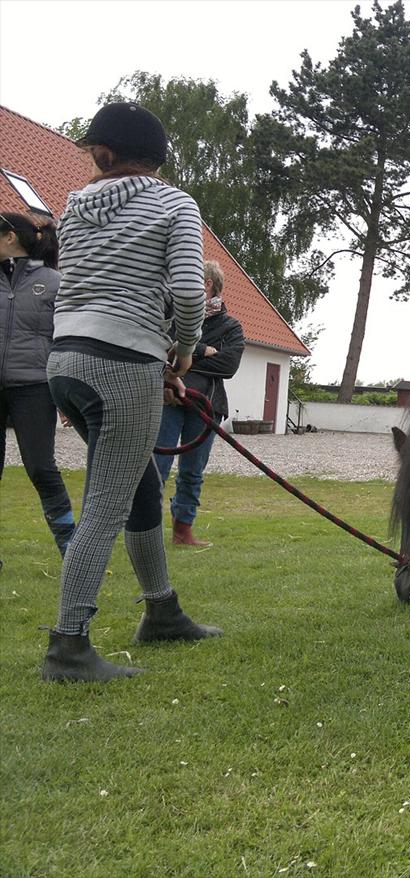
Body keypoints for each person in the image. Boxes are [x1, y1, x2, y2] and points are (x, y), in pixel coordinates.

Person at [41, 102, 222, 683]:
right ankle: (69, 646)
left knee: (138, 480)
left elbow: (81, 284)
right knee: (105, 505)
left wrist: (154, 361)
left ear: (106, 152)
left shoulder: (71, 208)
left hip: (67, 360)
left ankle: (162, 611)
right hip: (123, 364)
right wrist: (185, 351)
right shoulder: (175, 203)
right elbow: (190, 294)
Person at [0, 212, 76, 561]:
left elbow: (65, 339)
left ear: (10, 237)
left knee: (41, 468)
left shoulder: (55, 282)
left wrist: (67, 392)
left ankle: (72, 552)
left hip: (34, 387)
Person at [154, 260, 244, 547]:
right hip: (168, 400)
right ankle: (147, 530)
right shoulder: (171, 318)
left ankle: (183, 531)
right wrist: (201, 350)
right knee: (157, 466)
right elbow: (158, 350)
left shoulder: (231, 326)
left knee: (192, 471)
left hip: (206, 407)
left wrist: (180, 356)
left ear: (207, 284)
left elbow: (229, 365)